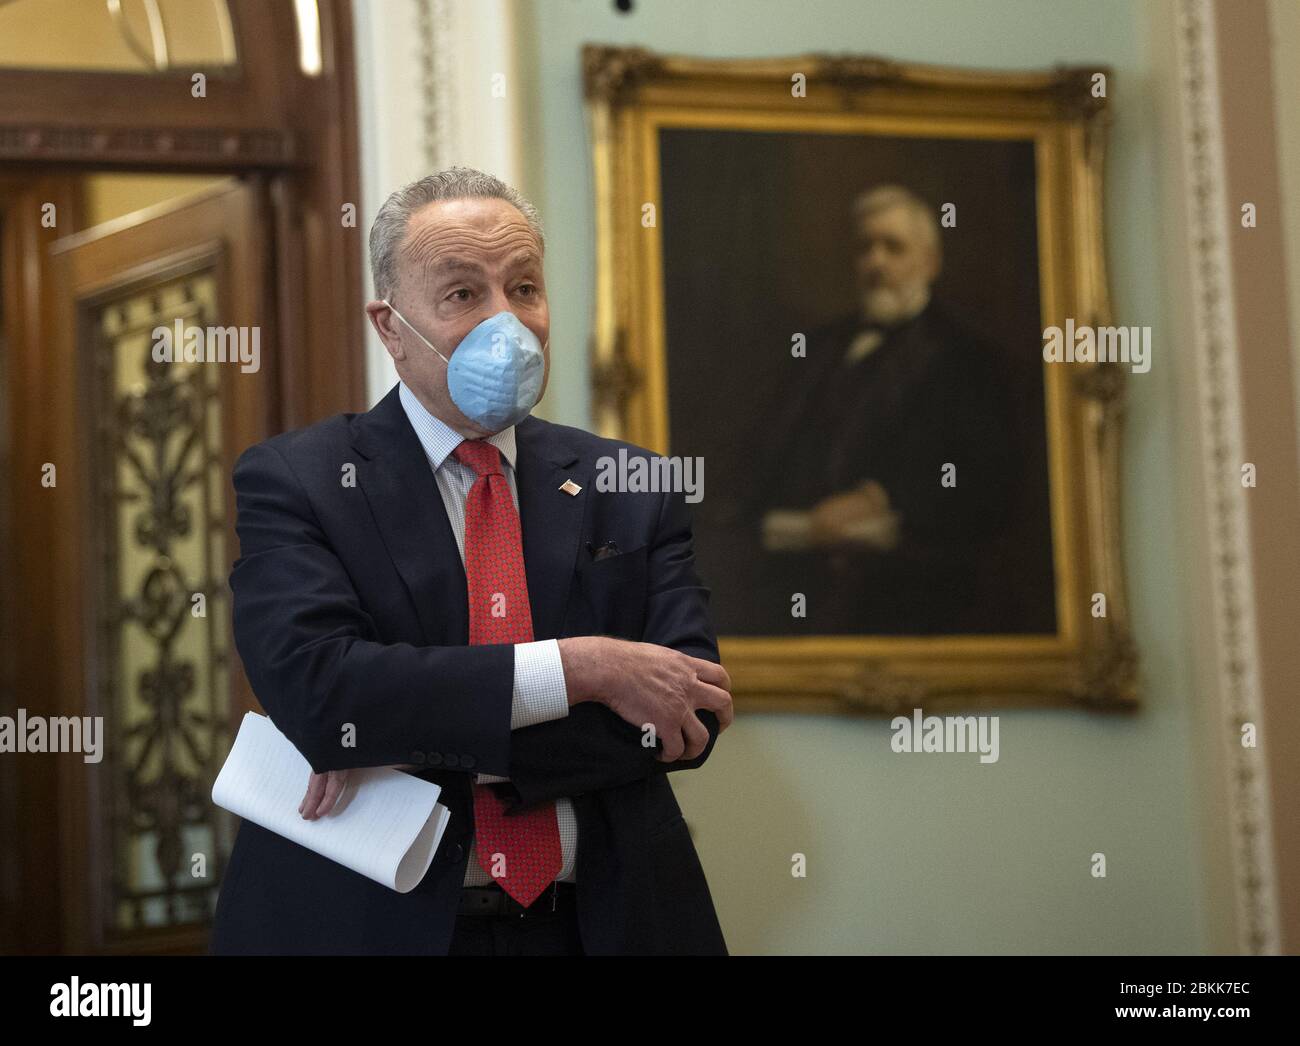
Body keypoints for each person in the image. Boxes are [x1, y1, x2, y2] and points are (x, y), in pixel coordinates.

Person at [210, 167, 733, 956]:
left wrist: (393, 738)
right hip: (369, 929)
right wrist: (582, 670)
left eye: (523, 288)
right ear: (390, 328)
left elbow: (685, 715)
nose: (508, 322)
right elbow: (321, 692)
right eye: (462, 295)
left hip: (598, 926)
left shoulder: (633, 484)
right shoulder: (300, 479)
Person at [735, 185, 1019, 636]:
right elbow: (764, 454)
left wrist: (877, 498)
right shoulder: (819, 347)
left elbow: (987, 481)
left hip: (912, 589)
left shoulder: (969, 357)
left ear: (930, 262)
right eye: (866, 247)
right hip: (796, 575)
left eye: (893, 247)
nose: (876, 262)